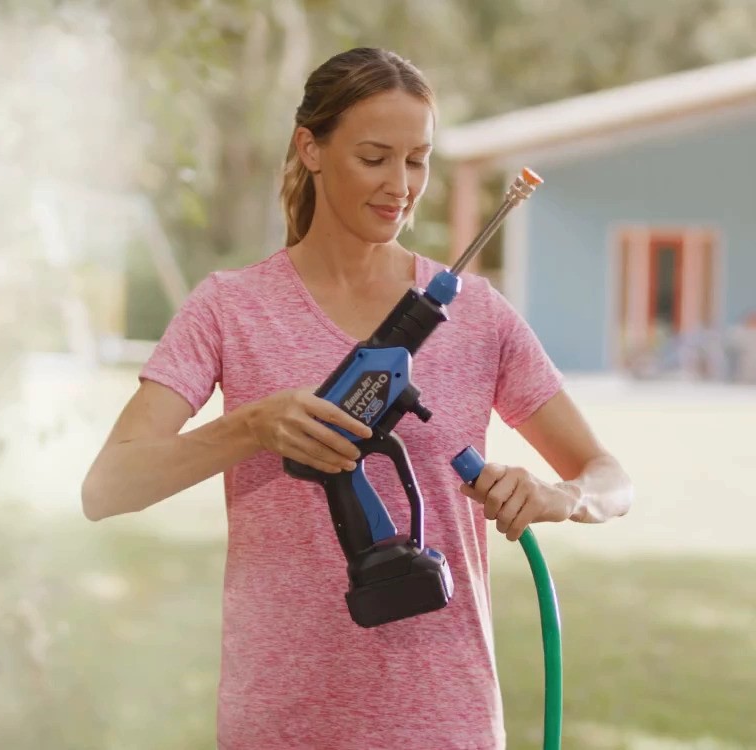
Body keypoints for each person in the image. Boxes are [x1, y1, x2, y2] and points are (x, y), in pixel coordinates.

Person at [81, 47, 633, 749]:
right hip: (280, 724)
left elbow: (611, 480)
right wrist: (252, 427)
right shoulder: (230, 310)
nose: (400, 186)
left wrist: (563, 496)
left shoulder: (478, 316)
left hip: (444, 722)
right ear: (310, 148)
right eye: (374, 158)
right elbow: (107, 488)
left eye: (417, 161)